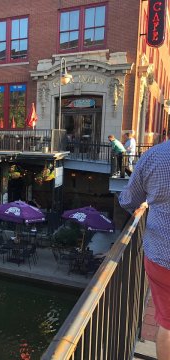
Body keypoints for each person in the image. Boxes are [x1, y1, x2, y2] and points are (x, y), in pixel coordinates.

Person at [119, 140, 170, 360]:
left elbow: (129, 199)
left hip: (162, 256)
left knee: (167, 326)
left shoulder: (155, 156)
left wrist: (147, 202)